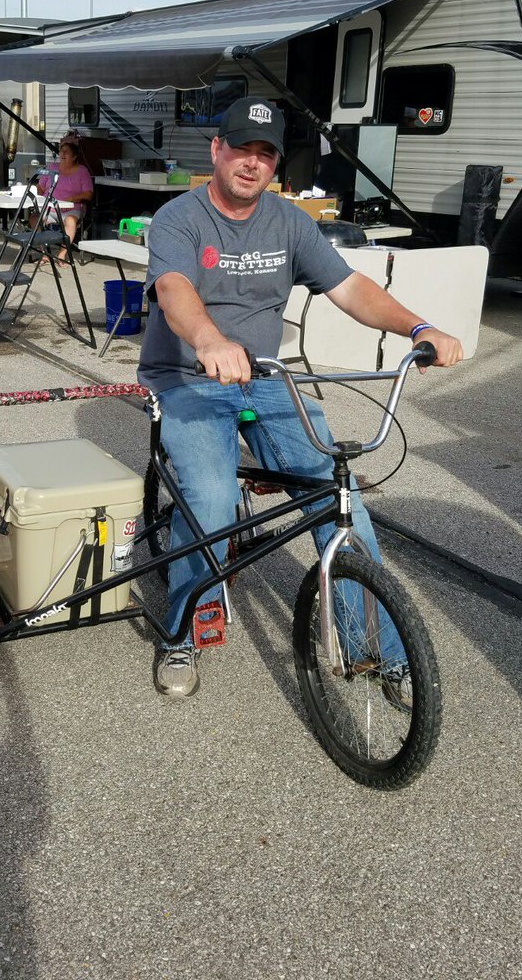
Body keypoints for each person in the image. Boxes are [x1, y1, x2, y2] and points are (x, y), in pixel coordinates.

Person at [138, 96, 464, 699]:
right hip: (186, 376)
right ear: (216, 150)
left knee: (339, 497)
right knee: (209, 503)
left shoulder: (289, 222)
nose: (252, 162)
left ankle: (374, 650)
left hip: (264, 377)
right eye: (241, 148)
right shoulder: (178, 218)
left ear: (276, 165)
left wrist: (419, 328)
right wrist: (209, 339)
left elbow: (350, 287)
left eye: (266, 153)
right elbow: (174, 287)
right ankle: (182, 633)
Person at [34, 138, 93, 264]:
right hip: (50, 207)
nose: (62, 154)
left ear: (74, 156)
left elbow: (88, 194)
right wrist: (39, 201)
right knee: (36, 219)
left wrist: (72, 198)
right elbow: (40, 188)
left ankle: (62, 253)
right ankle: (45, 253)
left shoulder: (82, 171)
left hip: (72, 207)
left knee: (70, 221)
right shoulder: (52, 167)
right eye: (61, 151)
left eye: (66, 152)